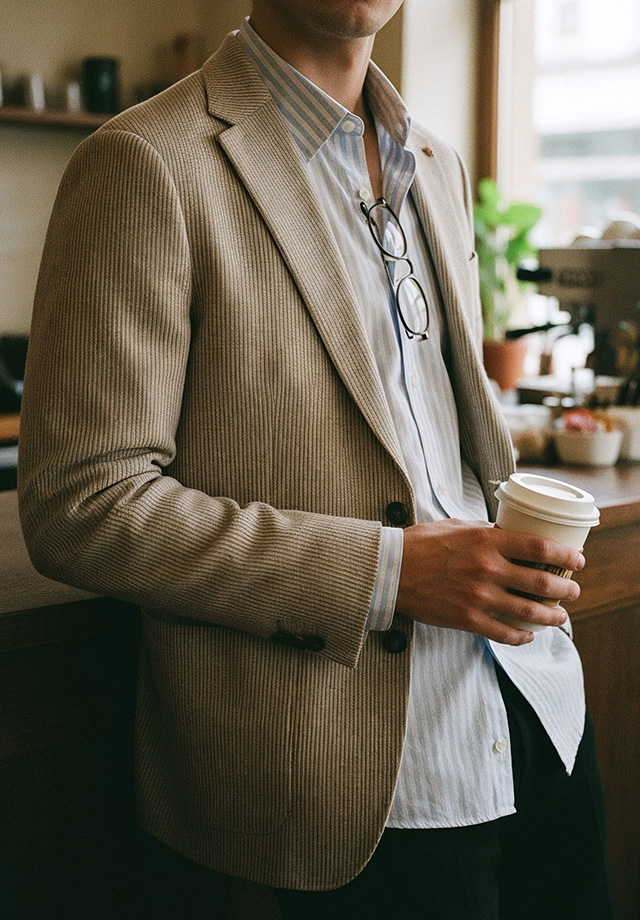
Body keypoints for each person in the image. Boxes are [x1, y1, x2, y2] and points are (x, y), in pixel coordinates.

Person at [18, 1, 614, 917]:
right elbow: (82, 504)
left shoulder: (440, 164)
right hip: (343, 787)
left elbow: (430, 437)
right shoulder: (145, 161)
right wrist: (389, 574)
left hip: (534, 715)